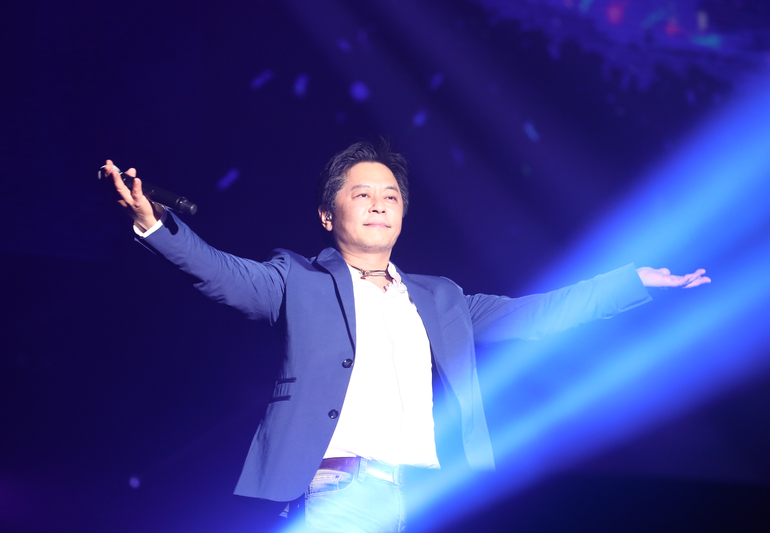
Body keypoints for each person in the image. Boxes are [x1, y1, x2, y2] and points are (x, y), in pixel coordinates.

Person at [101, 140, 709, 532]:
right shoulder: (297, 280)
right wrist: (154, 224)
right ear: (327, 214)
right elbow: (223, 274)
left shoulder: (439, 297)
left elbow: (535, 315)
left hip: (428, 495)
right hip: (342, 492)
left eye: (390, 196)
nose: (378, 204)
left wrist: (631, 281)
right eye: (361, 194)